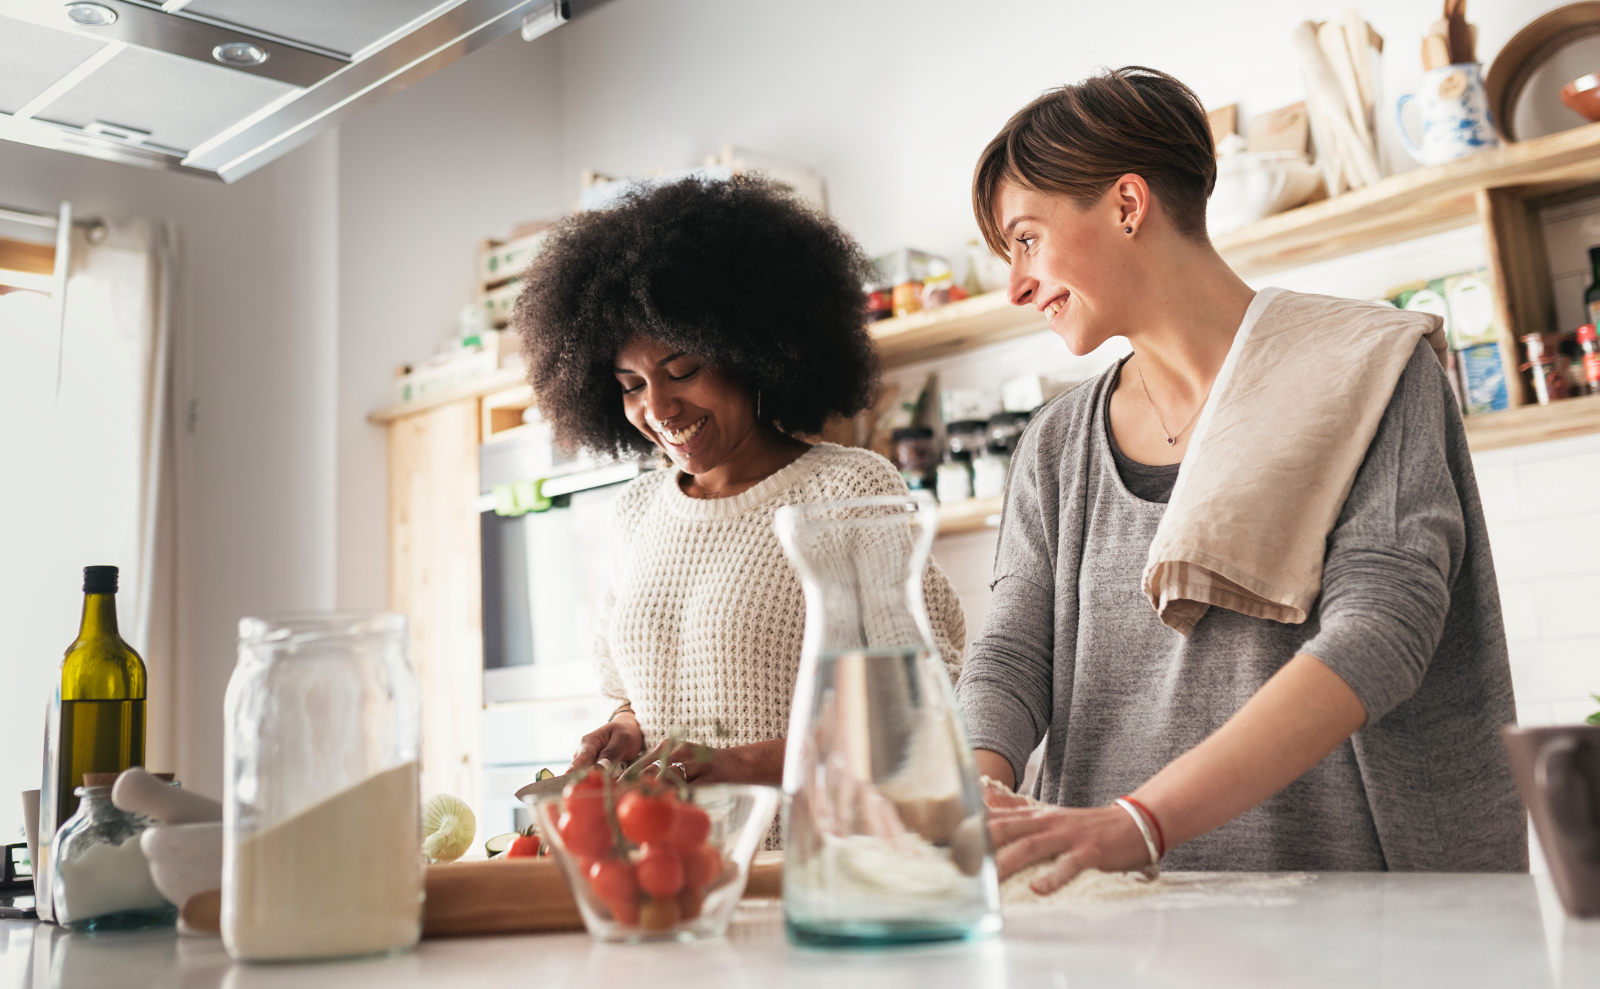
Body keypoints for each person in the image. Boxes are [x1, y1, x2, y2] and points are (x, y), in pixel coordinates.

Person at [956, 66, 1525, 893]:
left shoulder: (1368, 368)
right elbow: (1011, 653)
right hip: (1108, 908)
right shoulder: (1055, 444)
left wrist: (1139, 822)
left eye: (1027, 239)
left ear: (1126, 204)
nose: (1017, 285)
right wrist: (978, 795)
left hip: (1343, 907)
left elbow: (1383, 631)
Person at [515, 175, 966, 789]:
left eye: (683, 370)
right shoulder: (636, 514)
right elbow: (630, 695)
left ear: (750, 352)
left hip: (816, 862)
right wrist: (625, 727)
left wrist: (740, 766)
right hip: (678, 867)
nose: (660, 407)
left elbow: (923, 706)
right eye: (632, 386)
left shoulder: (848, 492)